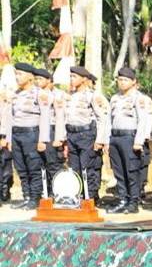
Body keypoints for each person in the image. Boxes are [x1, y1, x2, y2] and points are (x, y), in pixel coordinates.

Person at [105, 68, 152, 213]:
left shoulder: (139, 98)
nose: (121, 82)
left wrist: (139, 141)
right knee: (118, 171)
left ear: (134, 82)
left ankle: (133, 201)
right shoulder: (114, 98)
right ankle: (122, 199)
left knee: (132, 171)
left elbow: (143, 120)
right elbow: (109, 121)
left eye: (125, 80)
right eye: (120, 79)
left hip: (130, 137)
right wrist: (108, 140)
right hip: (116, 137)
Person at [57, 66, 110, 203]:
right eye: (71, 76)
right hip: (72, 135)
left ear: (84, 79)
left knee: (89, 167)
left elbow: (102, 118)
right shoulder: (69, 96)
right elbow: (64, 118)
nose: (71, 79)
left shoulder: (92, 96)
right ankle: (78, 195)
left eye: (74, 76)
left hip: (86, 135)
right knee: (75, 167)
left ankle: (91, 196)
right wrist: (62, 138)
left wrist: (100, 139)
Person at [9, 64, 54, 209]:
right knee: (20, 168)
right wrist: (9, 138)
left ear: (30, 77)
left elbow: (45, 117)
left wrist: (42, 139)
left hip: (31, 134)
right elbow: (10, 117)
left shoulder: (39, 93)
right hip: (17, 133)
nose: (17, 77)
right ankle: (26, 196)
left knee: (34, 167)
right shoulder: (15, 94)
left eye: (20, 74)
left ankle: (35, 197)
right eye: (16, 74)